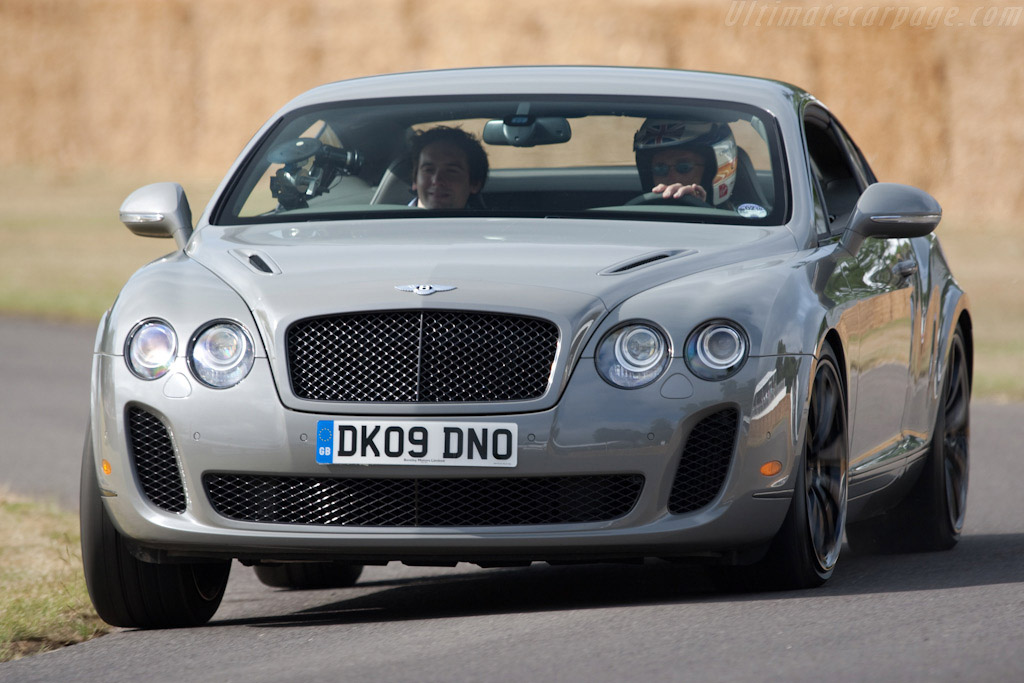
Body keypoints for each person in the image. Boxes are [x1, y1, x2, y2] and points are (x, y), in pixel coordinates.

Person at [632, 119, 738, 207]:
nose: (672, 179)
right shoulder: (637, 216)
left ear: (709, 171)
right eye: (660, 169)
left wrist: (701, 209)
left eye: (684, 167)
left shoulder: (737, 220)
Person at [408, 126, 489, 209]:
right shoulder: (394, 220)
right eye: (429, 170)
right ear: (415, 180)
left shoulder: (487, 222)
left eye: (451, 171)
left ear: (474, 184)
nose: (437, 181)